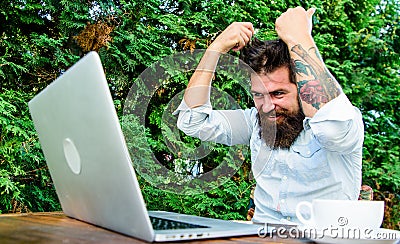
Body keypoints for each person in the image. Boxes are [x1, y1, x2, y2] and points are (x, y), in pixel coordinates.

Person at [174, 7, 364, 224]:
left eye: (278, 93)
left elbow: (331, 129)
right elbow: (192, 121)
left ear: (302, 87)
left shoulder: (346, 122)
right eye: (258, 95)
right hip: (259, 235)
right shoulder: (254, 122)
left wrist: (299, 37)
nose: (267, 106)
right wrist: (215, 49)